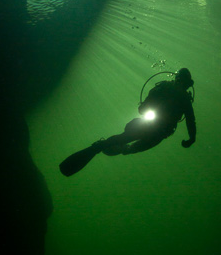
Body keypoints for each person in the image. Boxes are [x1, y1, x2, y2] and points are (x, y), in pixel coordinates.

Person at [59, 68, 196, 176]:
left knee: (124, 139)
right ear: (188, 83)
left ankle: (102, 146)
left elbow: (146, 104)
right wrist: (191, 138)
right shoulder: (184, 98)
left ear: (177, 78)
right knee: (135, 146)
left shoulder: (165, 87)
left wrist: (144, 108)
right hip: (159, 132)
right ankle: (114, 147)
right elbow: (190, 119)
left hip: (149, 125)